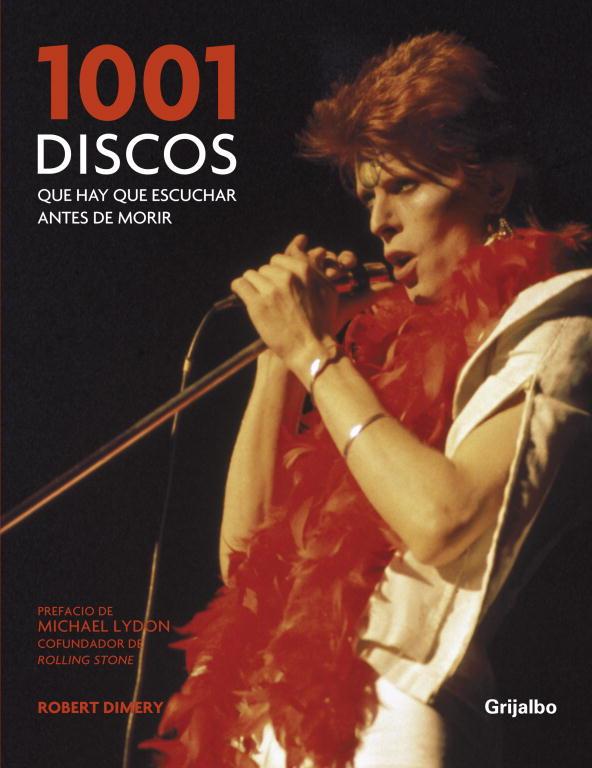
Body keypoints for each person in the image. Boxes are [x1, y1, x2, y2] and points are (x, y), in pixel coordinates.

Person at [144, 32, 592, 767]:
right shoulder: (377, 371)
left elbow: (444, 519)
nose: (378, 220)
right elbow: (244, 564)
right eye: (368, 196)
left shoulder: (560, 324)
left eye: (404, 186)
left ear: (495, 185)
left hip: (391, 723)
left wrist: (314, 353)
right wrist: (281, 360)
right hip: (282, 728)